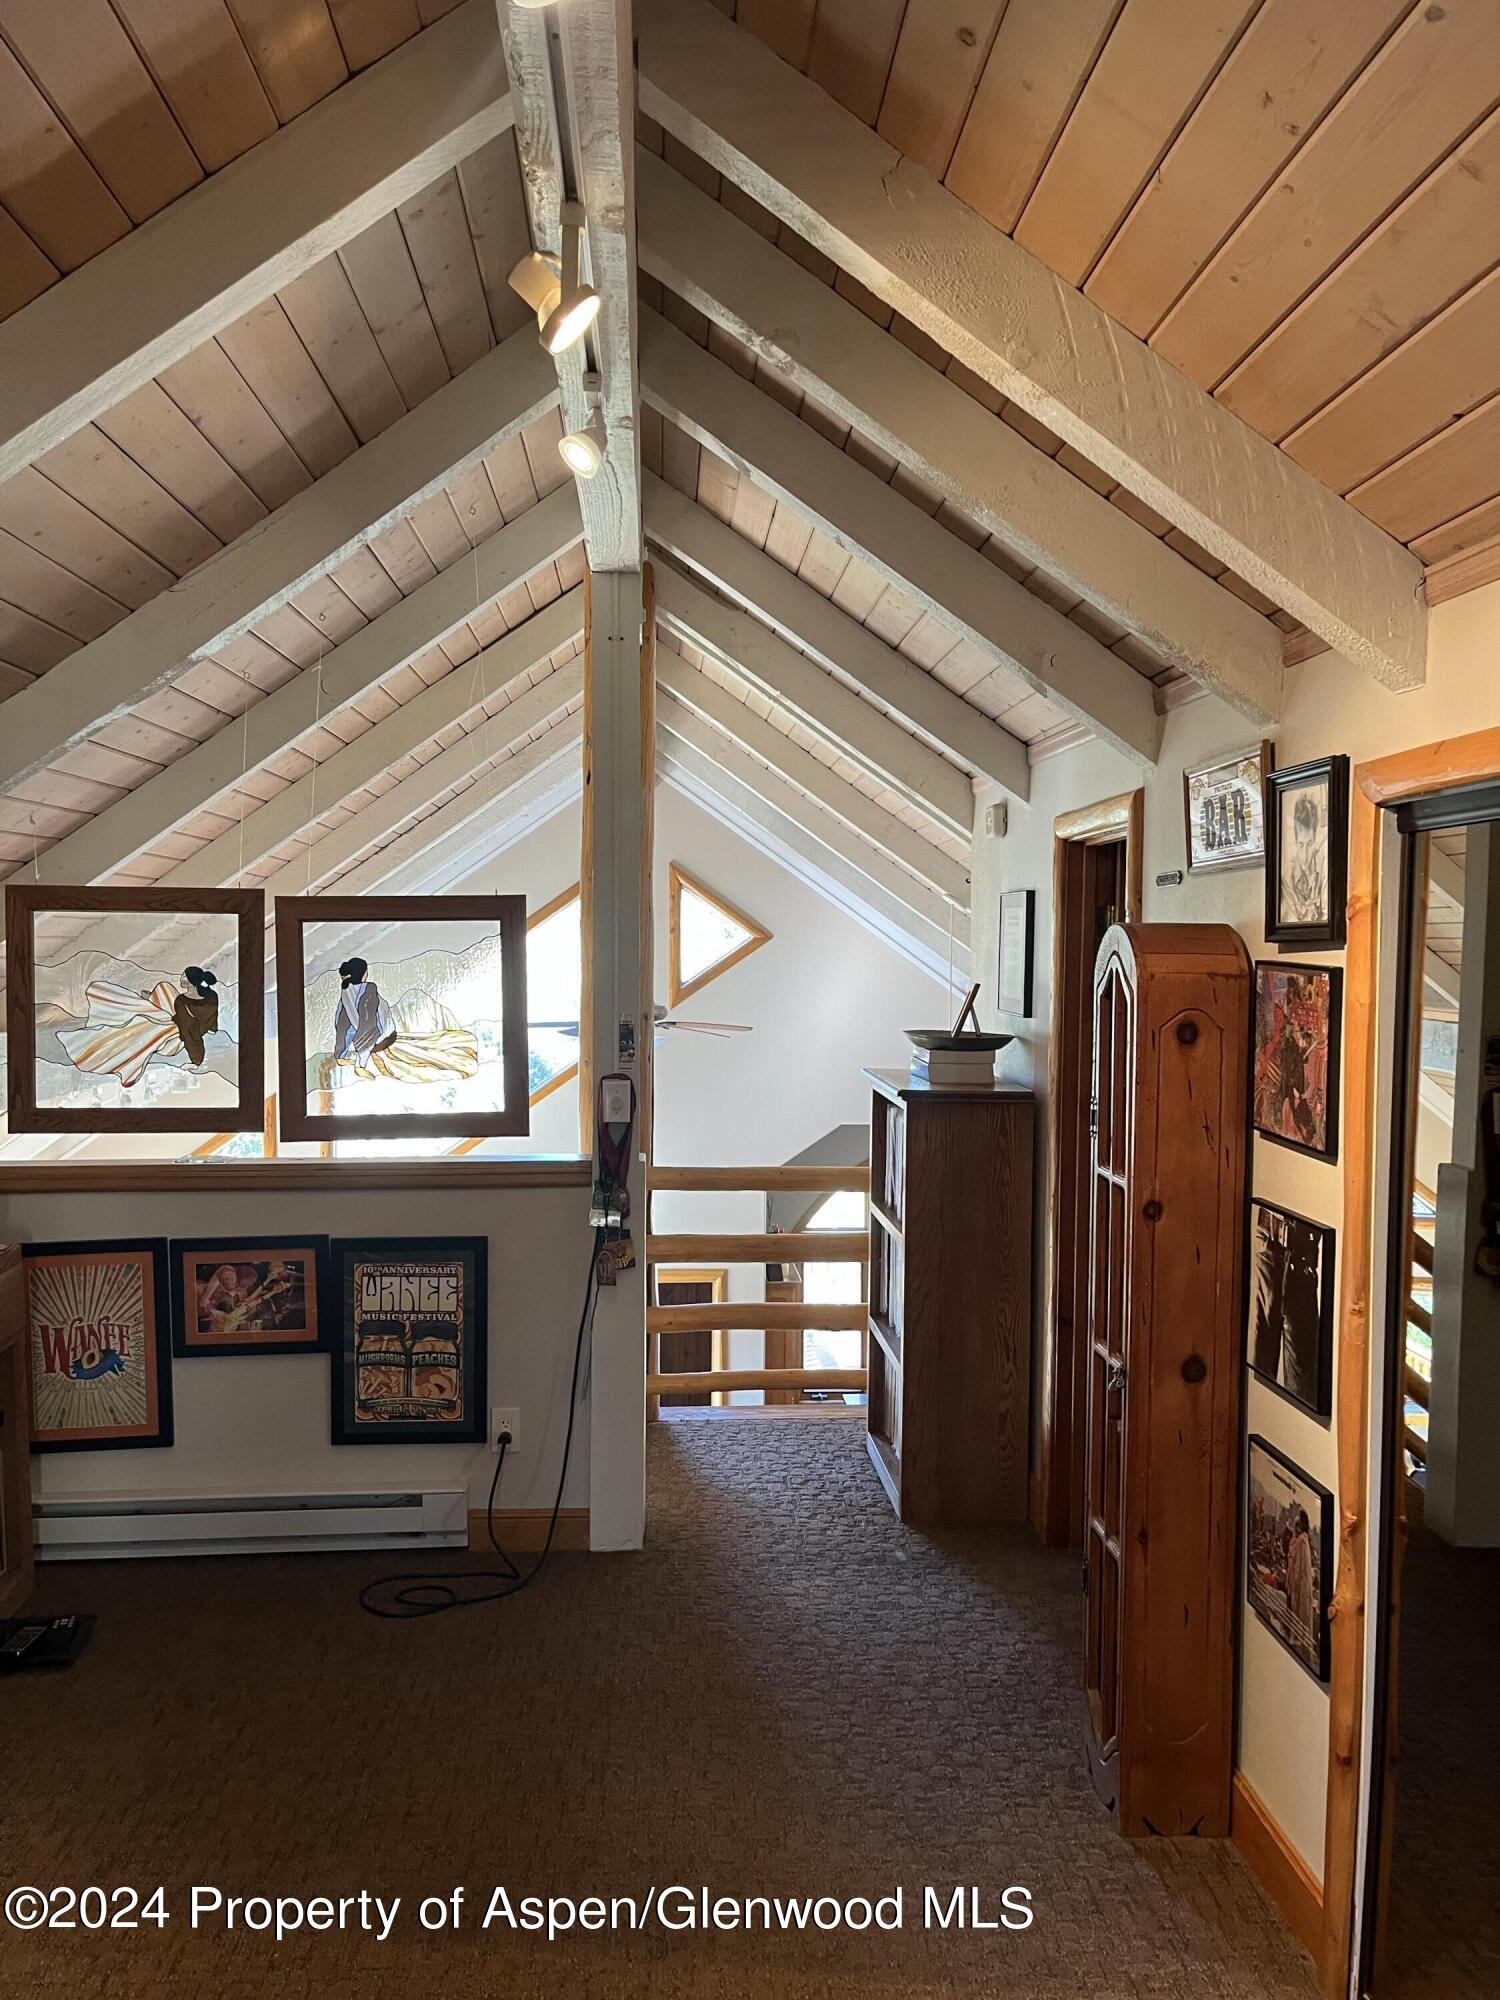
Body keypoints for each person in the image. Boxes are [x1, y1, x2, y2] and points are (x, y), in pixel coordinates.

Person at [59, 965, 222, 1088]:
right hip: (185, 1025)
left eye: (183, 976)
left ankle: (124, 1058)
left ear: (191, 982)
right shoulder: (211, 996)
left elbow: (190, 1034)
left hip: (175, 1039)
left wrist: (196, 1061)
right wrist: (212, 1029)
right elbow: (211, 1016)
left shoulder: (181, 1002)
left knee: (141, 1020)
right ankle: (148, 1000)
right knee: (163, 987)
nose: (180, 978)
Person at [1284, 1506, 1316, 1643]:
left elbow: (1302, 1569)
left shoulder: (1302, 1543)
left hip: (1299, 1585)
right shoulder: (1297, 1541)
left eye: (1298, 1526)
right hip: (1294, 1584)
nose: (1296, 1529)